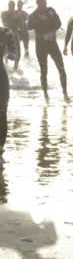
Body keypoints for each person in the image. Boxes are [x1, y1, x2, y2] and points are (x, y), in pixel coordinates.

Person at [27, 0, 69, 102]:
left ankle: (65, 93)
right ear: (37, 3)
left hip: (52, 45)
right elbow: (28, 26)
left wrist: (52, 30)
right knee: (44, 71)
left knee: (61, 68)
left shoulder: (51, 10)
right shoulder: (33, 15)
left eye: (45, 2)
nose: (44, 4)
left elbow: (59, 23)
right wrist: (41, 20)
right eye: (42, 3)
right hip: (40, 47)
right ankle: (46, 95)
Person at [0, 23, 18, 168]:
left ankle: (0, 153)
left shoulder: (5, 32)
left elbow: (14, 49)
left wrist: (13, 54)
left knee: (2, 115)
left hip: (1, 79)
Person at [1, 1, 24, 70]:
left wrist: (19, 18)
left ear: (14, 7)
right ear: (8, 6)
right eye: (10, 6)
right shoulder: (5, 13)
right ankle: (5, 64)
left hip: (15, 34)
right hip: (6, 35)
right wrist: (12, 18)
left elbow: (22, 27)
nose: (11, 8)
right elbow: (4, 23)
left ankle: (16, 65)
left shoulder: (17, 15)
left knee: (18, 50)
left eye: (12, 6)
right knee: (4, 50)